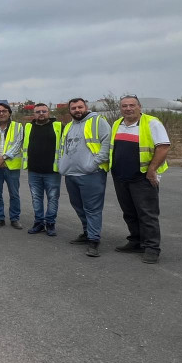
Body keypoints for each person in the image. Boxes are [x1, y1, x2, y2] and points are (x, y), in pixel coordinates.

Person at [110, 95, 170, 264]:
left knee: (147, 214)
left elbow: (163, 147)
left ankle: (152, 247)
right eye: (124, 106)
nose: (128, 108)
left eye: (131, 105)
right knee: (129, 212)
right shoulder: (117, 124)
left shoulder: (152, 123)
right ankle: (136, 241)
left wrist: (152, 169)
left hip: (142, 178)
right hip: (121, 177)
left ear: (139, 107)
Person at [59, 98, 111, 258]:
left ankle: (94, 240)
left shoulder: (98, 122)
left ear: (86, 107)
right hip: (71, 174)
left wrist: (93, 164)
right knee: (78, 206)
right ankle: (87, 232)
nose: (77, 110)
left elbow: (107, 143)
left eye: (80, 107)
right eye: (73, 108)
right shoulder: (68, 126)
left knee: (92, 208)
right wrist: (62, 166)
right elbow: (63, 148)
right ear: (70, 110)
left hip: (91, 174)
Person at [22, 103, 62, 236]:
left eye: (44, 111)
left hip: (52, 171)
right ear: (34, 114)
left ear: (48, 113)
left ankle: (50, 223)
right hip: (34, 170)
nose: (41, 114)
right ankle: (39, 223)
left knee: (52, 198)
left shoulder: (58, 126)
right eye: (38, 111)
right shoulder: (28, 127)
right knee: (36, 198)